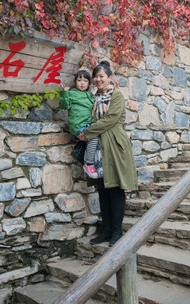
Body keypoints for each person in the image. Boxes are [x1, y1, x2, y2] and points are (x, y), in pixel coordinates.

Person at [77, 61, 138, 246]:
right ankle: (106, 230)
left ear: (109, 77)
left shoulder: (117, 95)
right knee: (102, 188)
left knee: (115, 188)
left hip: (114, 144)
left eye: (101, 76)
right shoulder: (95, 97)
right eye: (96, 76)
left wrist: (87, 133)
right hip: (98, 147)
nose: (97, 79)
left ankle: (117, 232)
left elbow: (111, 119)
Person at [59, 68, 99, 179]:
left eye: (85, 81)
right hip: (78, 125)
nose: (82, 83)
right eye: (79, 80)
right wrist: (65, 93)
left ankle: (94, 164)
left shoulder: (89, 95)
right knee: (93, 138)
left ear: (89, 83)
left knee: (98, 140)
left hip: (88, 124)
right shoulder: (71, 93)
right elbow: (64, 106)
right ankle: (89, 164)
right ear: (75, 82)